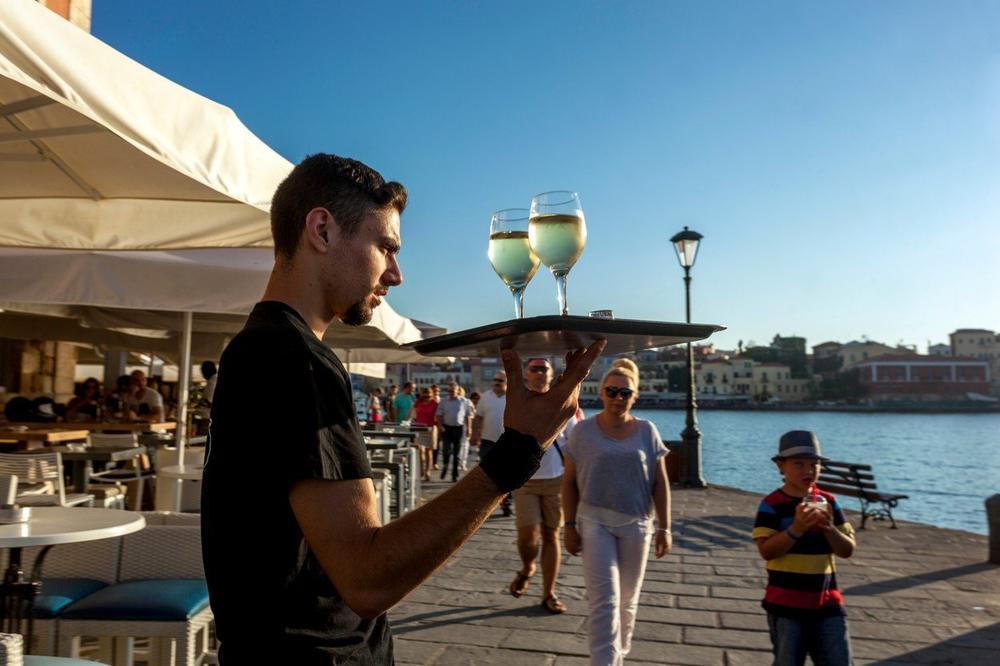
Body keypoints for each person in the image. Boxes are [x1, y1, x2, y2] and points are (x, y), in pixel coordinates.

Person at [201, 152, 605, 664]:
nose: (396, 274)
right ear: (322, 230)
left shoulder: (256, 348)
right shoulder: (295, 358)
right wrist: (519, 451)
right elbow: (367, 580)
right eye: (385, 247)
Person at [562, 358, 671, 665]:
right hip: (594, 521)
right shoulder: (582, 432)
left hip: (637, 524)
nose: (618, 397)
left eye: (625, 393)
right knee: (604, 603)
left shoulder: (647, 431)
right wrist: (569, 525)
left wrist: (665, 527)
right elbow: (568, 483)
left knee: (627, 603)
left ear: (635, 396)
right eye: (612, 391)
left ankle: (618, 656)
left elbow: (660, 483)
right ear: (601, 393)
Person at [752, 431, 856, 666]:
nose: (808, 471)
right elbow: (767, 551)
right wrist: (796, 529)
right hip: (786, 605)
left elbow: (847, 550)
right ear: (781, 467)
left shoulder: (828, 502)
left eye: (814, 464)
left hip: (828, 603)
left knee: (839, 659)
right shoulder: (771, 505)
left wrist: (829, 529)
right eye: (798, 464)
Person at [509, 358, 580, 614]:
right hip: (524, 481)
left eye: (544, 369)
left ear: (552, 375)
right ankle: (528, 566)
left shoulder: (563, 406)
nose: (539, 373)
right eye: (535, 368)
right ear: (526, 374)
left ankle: (549, 592)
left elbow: (575, 443)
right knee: (528, 537)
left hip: (555, 481)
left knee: (551, 535)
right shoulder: (518, 403)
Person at [473, 370, 510, 515]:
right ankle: (493, 502)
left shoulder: (512, 397)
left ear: (506, 382)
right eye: (495, 379)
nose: (496, 382)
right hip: (487, 440)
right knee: (488, 473)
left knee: (506, 474)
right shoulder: (485, 397)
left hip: (508, 442)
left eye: (500, 380)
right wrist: (474, 434)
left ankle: (506, 500)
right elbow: (478, 418)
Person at [435, 382, 472, 483]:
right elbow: (438, 415)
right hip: (447, 429)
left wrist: (469, 429)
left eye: (453, 391)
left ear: (457, 391)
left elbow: (468, 416)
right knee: (446, 450)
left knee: (457, 454)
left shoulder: (464, 401)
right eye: (449, 391)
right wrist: (440, 426)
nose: (451, 393)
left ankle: (454, 475)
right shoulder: (443, 401)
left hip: (458, 429)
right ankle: (445, 466)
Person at [411, 387, 438, 482]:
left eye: (429, 396)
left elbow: (438, 417)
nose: (427, 398)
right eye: (425, 396)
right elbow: (412, 414)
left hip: (430, 429)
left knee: (428, 451)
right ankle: (421, 469)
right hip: (418, 428)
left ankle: (428, 471)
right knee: (420, 450)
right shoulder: (418, 402)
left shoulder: (435, 404)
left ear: (432, 395)